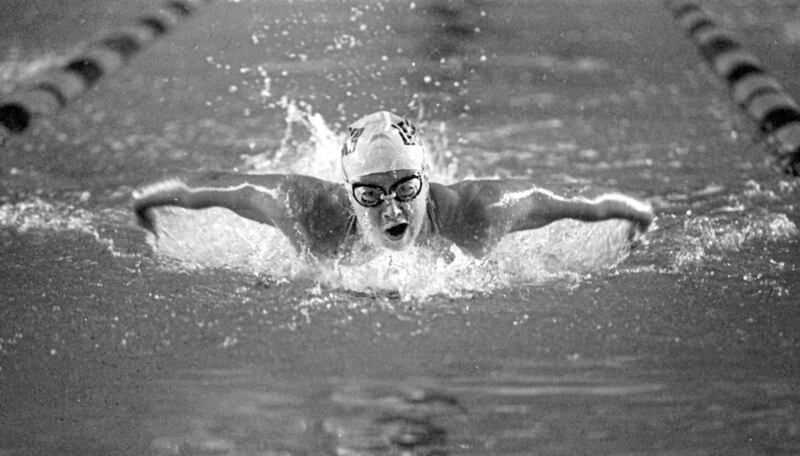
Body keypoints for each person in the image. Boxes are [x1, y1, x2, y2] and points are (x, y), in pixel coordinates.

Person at [132, 111, 654, 262]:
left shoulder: (477, 212)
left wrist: (629, 214)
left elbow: (560, 200)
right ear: (348, 192)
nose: (390, 208)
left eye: (406, 188)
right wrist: (150, 202)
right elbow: (225, 187)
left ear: (426, 181)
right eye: (371, 193)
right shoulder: (309, 211)